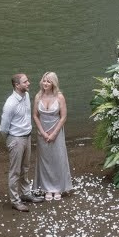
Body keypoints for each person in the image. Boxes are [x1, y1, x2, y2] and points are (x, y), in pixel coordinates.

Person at [0, 73, 44, 211]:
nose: (29, 83)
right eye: (25, 82)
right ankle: (15, 201)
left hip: (27, 136)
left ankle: (25, 194)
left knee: (25, 168)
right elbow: (3, 128)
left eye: (27, 81)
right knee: (15, 171)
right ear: (17, 85)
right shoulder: (10, 103)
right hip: (16, 139)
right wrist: (11, 140)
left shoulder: (26, 96)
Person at [34, 71, 73, 200]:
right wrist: (42, 132)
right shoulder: (38, 96)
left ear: (53, 83)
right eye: (44, 80)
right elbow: (35, 116)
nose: (45, 83)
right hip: (42, 133)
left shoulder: (60, 97)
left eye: (48, 81)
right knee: (45, 161)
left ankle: (58, 188)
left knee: (58, 159)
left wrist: (54, 133)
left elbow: (63, 117)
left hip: (56, 132)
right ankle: (46, 188)